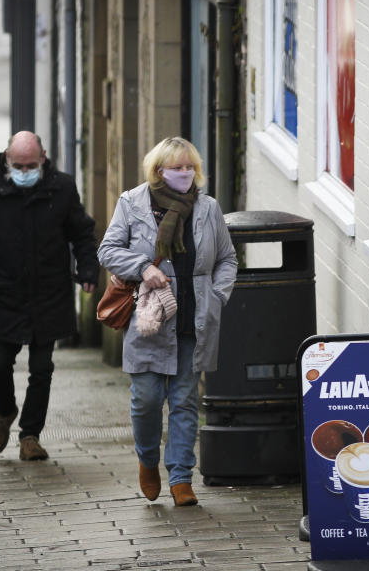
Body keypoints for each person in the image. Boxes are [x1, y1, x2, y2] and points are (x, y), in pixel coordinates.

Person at [97, 136, 237, 506]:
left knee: (185, 401)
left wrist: (217, 297)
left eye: (190, 167)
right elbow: (107, 250)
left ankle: (181, 478)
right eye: (177, 167)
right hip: (150, 321)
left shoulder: (207, 209)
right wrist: (143, 268)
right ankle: (147, 460)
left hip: (193, 321)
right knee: (145, 401)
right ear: (159, 170)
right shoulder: (132, 204)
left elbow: (227, 259)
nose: (185, 173)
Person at [0, 131, 99, 461]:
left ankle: (30, 435)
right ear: (7, 158)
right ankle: (5, 411)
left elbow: (82, 234)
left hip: (49, 293)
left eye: (31, 165)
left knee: (41, 368)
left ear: (43, 158)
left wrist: (88, 270)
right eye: (18, 165)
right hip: (3, 293)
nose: (24, 171)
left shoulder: (61, 188)